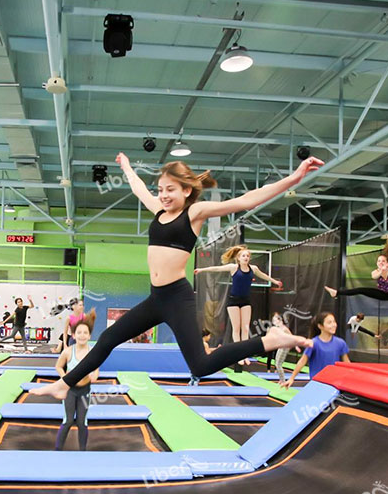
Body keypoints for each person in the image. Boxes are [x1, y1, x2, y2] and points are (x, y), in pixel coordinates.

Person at [31, 152, 320, 401]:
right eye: (161, 189)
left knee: (201, 365)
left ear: (186, 191)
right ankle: (63, 384)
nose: (164, 195)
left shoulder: (194, 213)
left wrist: (294, 177)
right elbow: (139, 189)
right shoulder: (158, 211)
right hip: (155, 298)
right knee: (107, 338)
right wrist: (128, 168)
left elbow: (246, 201)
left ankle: (270, 340)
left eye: (171, 189)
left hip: (177, 298)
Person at [194, 245, 282, 366]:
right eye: (243, 256)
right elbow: (217, 269)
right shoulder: (234, 268)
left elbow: (263, 275)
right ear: (238, 258)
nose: (246, 257)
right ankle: (238, 355)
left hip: (246, 301)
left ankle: (244, 354)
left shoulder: (253, 268)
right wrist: (202, 270)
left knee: (245, 328)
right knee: (236, 328)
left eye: (247, 256)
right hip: (233, 301)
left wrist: (275, 281)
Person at [54, 313, 99, 451]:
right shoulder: (68, 352)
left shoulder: (93, 352)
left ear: (89, 336)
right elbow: (58, 366)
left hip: (85, 390)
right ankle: (57, 450)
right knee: (67, 421)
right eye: (79, 332)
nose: (82, 335)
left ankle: (82, 451)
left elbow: (96, 368)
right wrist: (63, 376)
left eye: (85, 333)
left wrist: (95, 375)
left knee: (82, 422)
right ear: (73, 335)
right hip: (70, 391)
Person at [281, 312, 350, 386]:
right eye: (329, 322)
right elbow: (302, 361)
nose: (334, 325)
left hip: (334, 383)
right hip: (317, 383)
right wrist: (292, 378)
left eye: (334, 322)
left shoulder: (340, 343)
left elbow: (347, 363)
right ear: (320, 326)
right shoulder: (313, 343)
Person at [265, 312, 293, 383]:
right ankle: (281, 379)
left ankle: (283, 380)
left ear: (280, 320)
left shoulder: (284, 328)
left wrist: (294, 346)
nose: (274, 321)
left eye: (275, 320)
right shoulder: (278, 328)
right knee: (277, 363)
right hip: (281, 346)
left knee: (278, 364)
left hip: (285, 347)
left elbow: (292, 337)